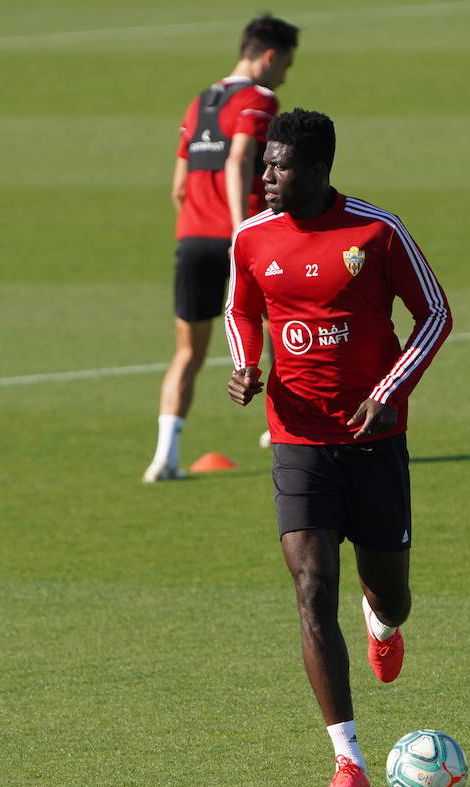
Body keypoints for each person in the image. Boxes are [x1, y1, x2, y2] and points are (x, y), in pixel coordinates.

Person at [224, 109, 453, 787]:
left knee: (394, 595)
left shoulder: (377, 231)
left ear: (318, 170)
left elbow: (436, 313)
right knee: (311, 586)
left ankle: (381, 622)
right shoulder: (251, 237)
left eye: (278, 166)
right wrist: (245, 363)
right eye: (264, 163)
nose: (263, 176)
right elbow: (241, 310)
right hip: (298, 441)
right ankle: (347, 760)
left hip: (375, 443)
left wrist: (388, 391)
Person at [144, 14, 299, 483]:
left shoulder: (200, 102)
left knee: (187, 352)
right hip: (242, 239)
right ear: (269, 56)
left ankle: (164, 457)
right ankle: (283, 434)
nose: (286, 76)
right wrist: (239, 233)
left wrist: (197, 227)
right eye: (286, 65)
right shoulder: (261, 100)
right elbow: (239, 161)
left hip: (191, 238)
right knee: (282, 329)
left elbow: (177, 187)